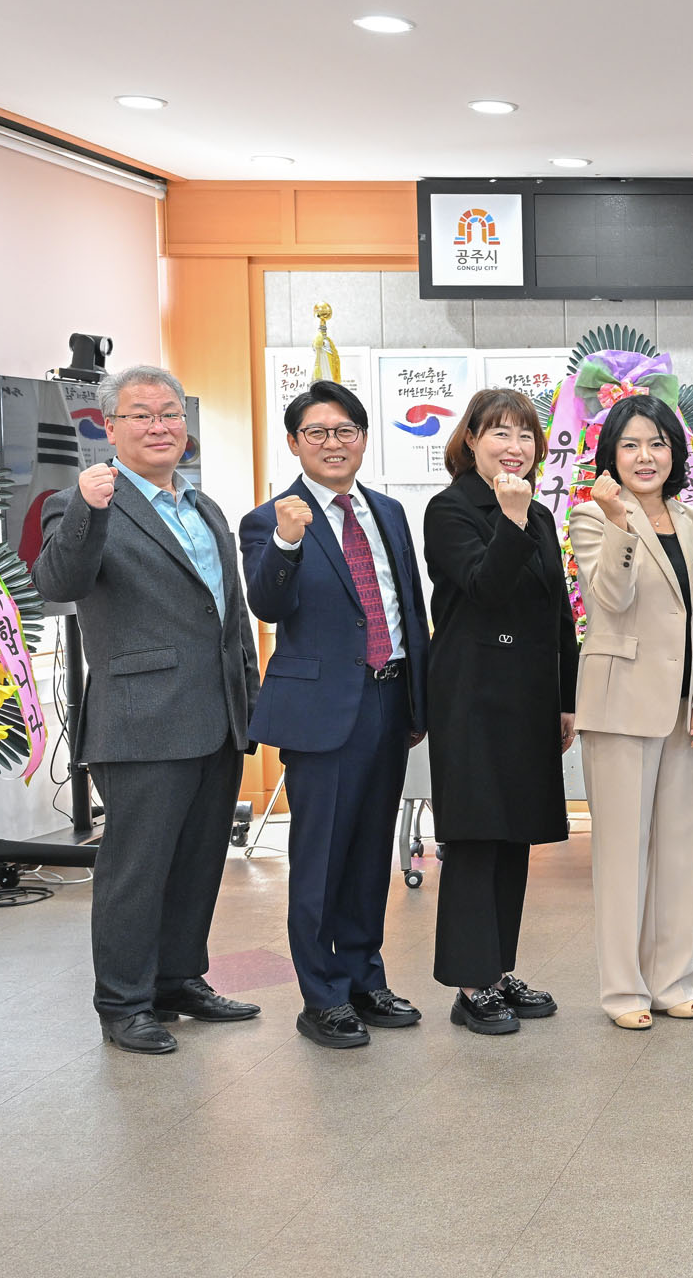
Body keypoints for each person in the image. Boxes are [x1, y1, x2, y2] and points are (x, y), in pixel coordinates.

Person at [31, 365, 261, 1055]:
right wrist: (88, 508)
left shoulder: (205, 507)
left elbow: (230, 616)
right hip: (141, 718)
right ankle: (123, 1003)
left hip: (218, 715)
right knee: (135, 871)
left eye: (170, 413)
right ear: (110, 426)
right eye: (141, 414)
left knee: (198, 861)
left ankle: (177, 980)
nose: (159, 426)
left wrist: (250, 699)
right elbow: (58, 581)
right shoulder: (80, 501)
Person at [240, 380, 432, 1049]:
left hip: (389, 697)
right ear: (295, 443)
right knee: (321, 858)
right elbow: (267, 605)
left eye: (345, 430)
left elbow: (408, 605)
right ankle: (321, 996)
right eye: (317, 432)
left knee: (370, 854)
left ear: (363, 439)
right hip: (322, 712)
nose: (333, 443)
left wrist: (420, 696)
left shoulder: (388, 511)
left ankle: (363, 979)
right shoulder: (270, 519)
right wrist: (288, 543)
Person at [422, 388, 578, 1036]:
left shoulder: (536, 512)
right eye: (499, 433)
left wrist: (566, 700)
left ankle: (497, 967)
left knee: (513, 838)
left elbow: (557, 610)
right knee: (476, 840)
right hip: (472, 696)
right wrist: (511, 521)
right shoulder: (450, 509)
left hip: (528, 698)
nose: (514, 447)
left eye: (524, 436)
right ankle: (470, 984)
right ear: (471, 441)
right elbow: (485, 588)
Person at [569, 396, 693, 1029]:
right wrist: (620, 523)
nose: (644, 456)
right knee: (622, 855)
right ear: (611, 453)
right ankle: (624, 992)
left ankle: (672, 980)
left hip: (684, 708)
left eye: (657, 443)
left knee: (681, 852)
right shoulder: (590, 515)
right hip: (620, 705)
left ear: (675, 453)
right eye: (630, 444)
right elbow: (610, 596)